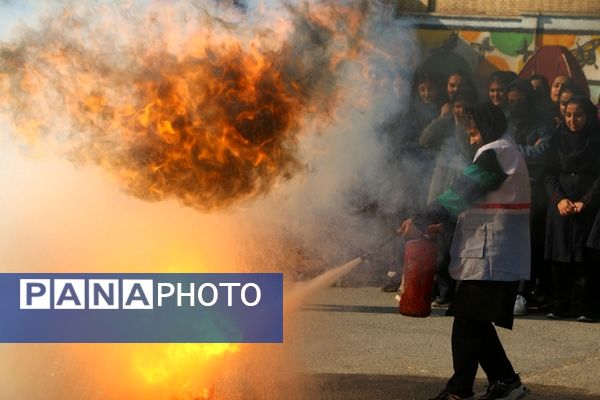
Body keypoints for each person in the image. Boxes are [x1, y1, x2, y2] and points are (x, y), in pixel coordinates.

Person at [400, 102, 531, 400]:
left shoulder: (495, 152)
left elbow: (461, 190)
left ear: (486, 128)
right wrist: (441, 223)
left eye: (473, 133)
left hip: (492, 254)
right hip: (493, 252)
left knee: (466, 322)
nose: (471, 138)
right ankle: (506, 382)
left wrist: (422, 217)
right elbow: (474, 199)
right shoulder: (504, 151)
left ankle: (460, 390)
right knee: (475, 320)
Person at [419, 90, 478, 306]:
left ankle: (451, 293)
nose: (459, 111)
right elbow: (424, 140)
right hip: (441, 192)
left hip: (461, 196)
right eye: (456, 107)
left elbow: (467, 153)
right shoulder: (444, 125)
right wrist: (442, 119)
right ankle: (440, 290)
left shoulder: (473, 130)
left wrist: (462, 128)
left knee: (454, 247)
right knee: (440, 247)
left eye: (463, 107)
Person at [544, 96, 600, 322]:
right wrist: (559, 199)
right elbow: (548, 174)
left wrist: (586, 201)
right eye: (568, 115)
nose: (573, 120)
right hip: (561, 206)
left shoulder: (596, 140)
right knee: (560, 255)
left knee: (584, 257)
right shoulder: (556, 140)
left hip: (589, 206)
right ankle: (559, 304)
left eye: (578, 115)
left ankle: (585, 306)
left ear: (588, 115)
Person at [506, 79, 555, 315]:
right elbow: (499, 150)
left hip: (535, 190)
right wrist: (522, 149)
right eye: (511, 101)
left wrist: (514, 149)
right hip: (510, 189)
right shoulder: (506, 121)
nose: (514, 105)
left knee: (531, 243)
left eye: (519, 101)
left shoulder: (541, 122)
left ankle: (523, 292)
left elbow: (544, 152)